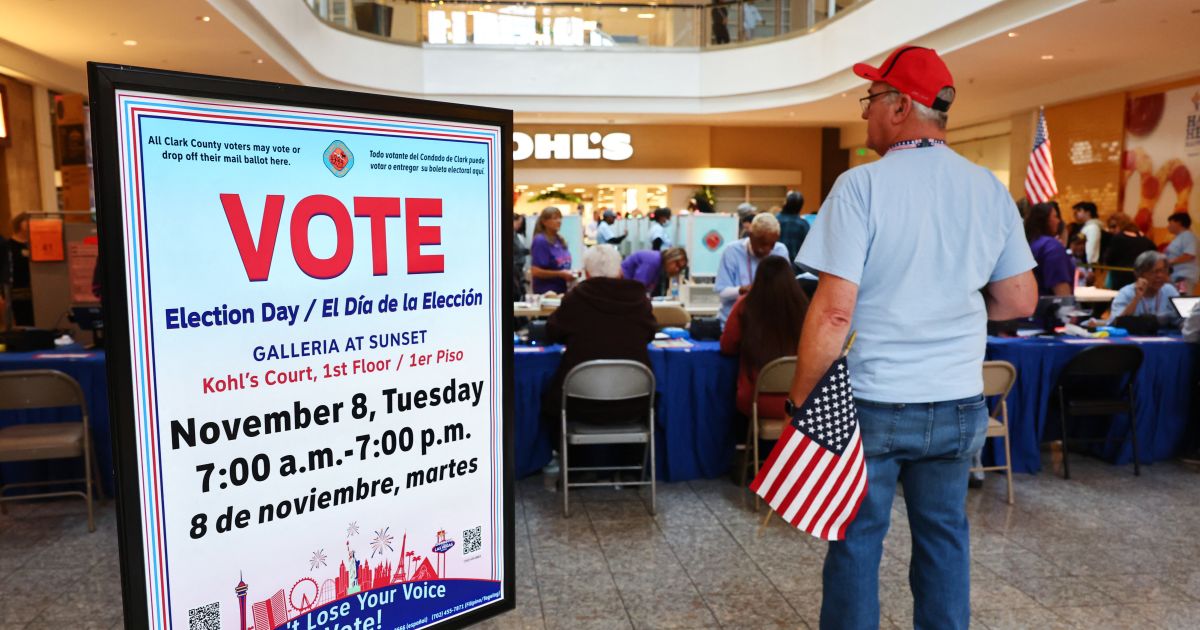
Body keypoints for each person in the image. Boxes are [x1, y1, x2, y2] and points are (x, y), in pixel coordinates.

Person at [789, 46, 1037, 630]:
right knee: (944, 538)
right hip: (956, 400)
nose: (865, 111)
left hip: (876, 399)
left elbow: (831, 315)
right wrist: (952, 298)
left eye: (870, 99)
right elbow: (1019, 300)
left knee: (855, 540)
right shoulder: (987, 188)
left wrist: (801, 396)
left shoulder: (860, 187)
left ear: (900, 106)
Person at [542, 245, 657, 442]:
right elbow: (650, 333)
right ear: (620, 271)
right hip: (634, 401)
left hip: (579, 402)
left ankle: (569, 465)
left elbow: (553, 331)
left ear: (586, 273)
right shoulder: (640, 301)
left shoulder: (576, 299)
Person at [719, 256, 809, 419]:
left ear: (758, 278)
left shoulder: (745, 306)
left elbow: (727, 346)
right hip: (799, 402)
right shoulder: (804, 307)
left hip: (756, 402)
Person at [715, 213, 789, 327]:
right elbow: (721, 292)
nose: (767, 250)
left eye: (772, 244)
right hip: (736, 325)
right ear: (750, 235)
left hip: (769, 325)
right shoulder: (732, 251)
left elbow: (786, 290)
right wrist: (743, 290)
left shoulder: (780, 251)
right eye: (763, 244)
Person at [1107, 251, 1180, 326]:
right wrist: (1137, 298)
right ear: (1139, 274)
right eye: (1154, 272)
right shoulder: (1126, 293)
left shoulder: (1169, 290)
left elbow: (1181, 319)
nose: (1160, 276)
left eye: (1163, 271)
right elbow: (1117, 323)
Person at [1024, 201, 1075, 296]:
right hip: (1050, 307)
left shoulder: (1028, 243)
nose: (1058, 221)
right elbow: (1060, 287)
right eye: (1055, 216)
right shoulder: (1051, 246)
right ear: (1044, 220)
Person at [1103, 212, 1156, 290]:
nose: (1111, 230)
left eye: (1113, 226)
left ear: (1122, 224)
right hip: (1142, 278)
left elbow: (1109, 260)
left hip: (1121, 279)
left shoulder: (1118, 239)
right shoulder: (1145, 239)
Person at [529, 206, 574, 294]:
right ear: (544, 222)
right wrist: (560, 274)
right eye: (555, 218)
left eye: (560, 218)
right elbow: (535, 271)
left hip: (561, 291)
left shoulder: (560, 240)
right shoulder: (540, 241)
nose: (559, 221)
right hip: (547, 293)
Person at [3, 213, 33, 326]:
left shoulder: (32, 244)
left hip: (35, 290)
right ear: (19, 224)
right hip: (16, 290)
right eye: (26, 221)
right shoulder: (8, 245)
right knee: (22, 321)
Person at [620, 247, 688, 296]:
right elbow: (638, 288)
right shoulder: (653, 261)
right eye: (677, 264)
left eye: (680, 268)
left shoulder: (660, 266)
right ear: (671, 257)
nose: (677, 269)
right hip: (621, 288)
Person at [1164, 212, 1197, 294]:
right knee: (1175, 300)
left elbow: (1189, 255)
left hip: (1183, 277)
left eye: (1170, 223)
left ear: (1178, 222)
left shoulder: (1188, 236)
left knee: (1181, 300)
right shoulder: (1179, 237)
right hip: (1176, 276)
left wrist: (1169, 262)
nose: (1168, 226)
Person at [777, 191, 811, 267]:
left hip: (776, 266)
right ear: (800, 206)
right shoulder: (803, 224)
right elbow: (808, 250)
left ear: (786, 203)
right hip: (797, 268)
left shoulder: (775, 221)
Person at [1072, 201, 1105, 268]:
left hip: (1087, 265)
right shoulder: (1087, 227)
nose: (1076, 214)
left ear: (1088, 212)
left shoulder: (1093, 227)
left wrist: (1090, 266)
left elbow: (1091, 247)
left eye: (1079, 210)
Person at [513, 214, 529, 299]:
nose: (519, 226)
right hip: (515, 270)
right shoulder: (511, 234)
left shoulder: (516, 234)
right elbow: (517, 250)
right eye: (519, 223)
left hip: (518, 270)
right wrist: (528, 251)